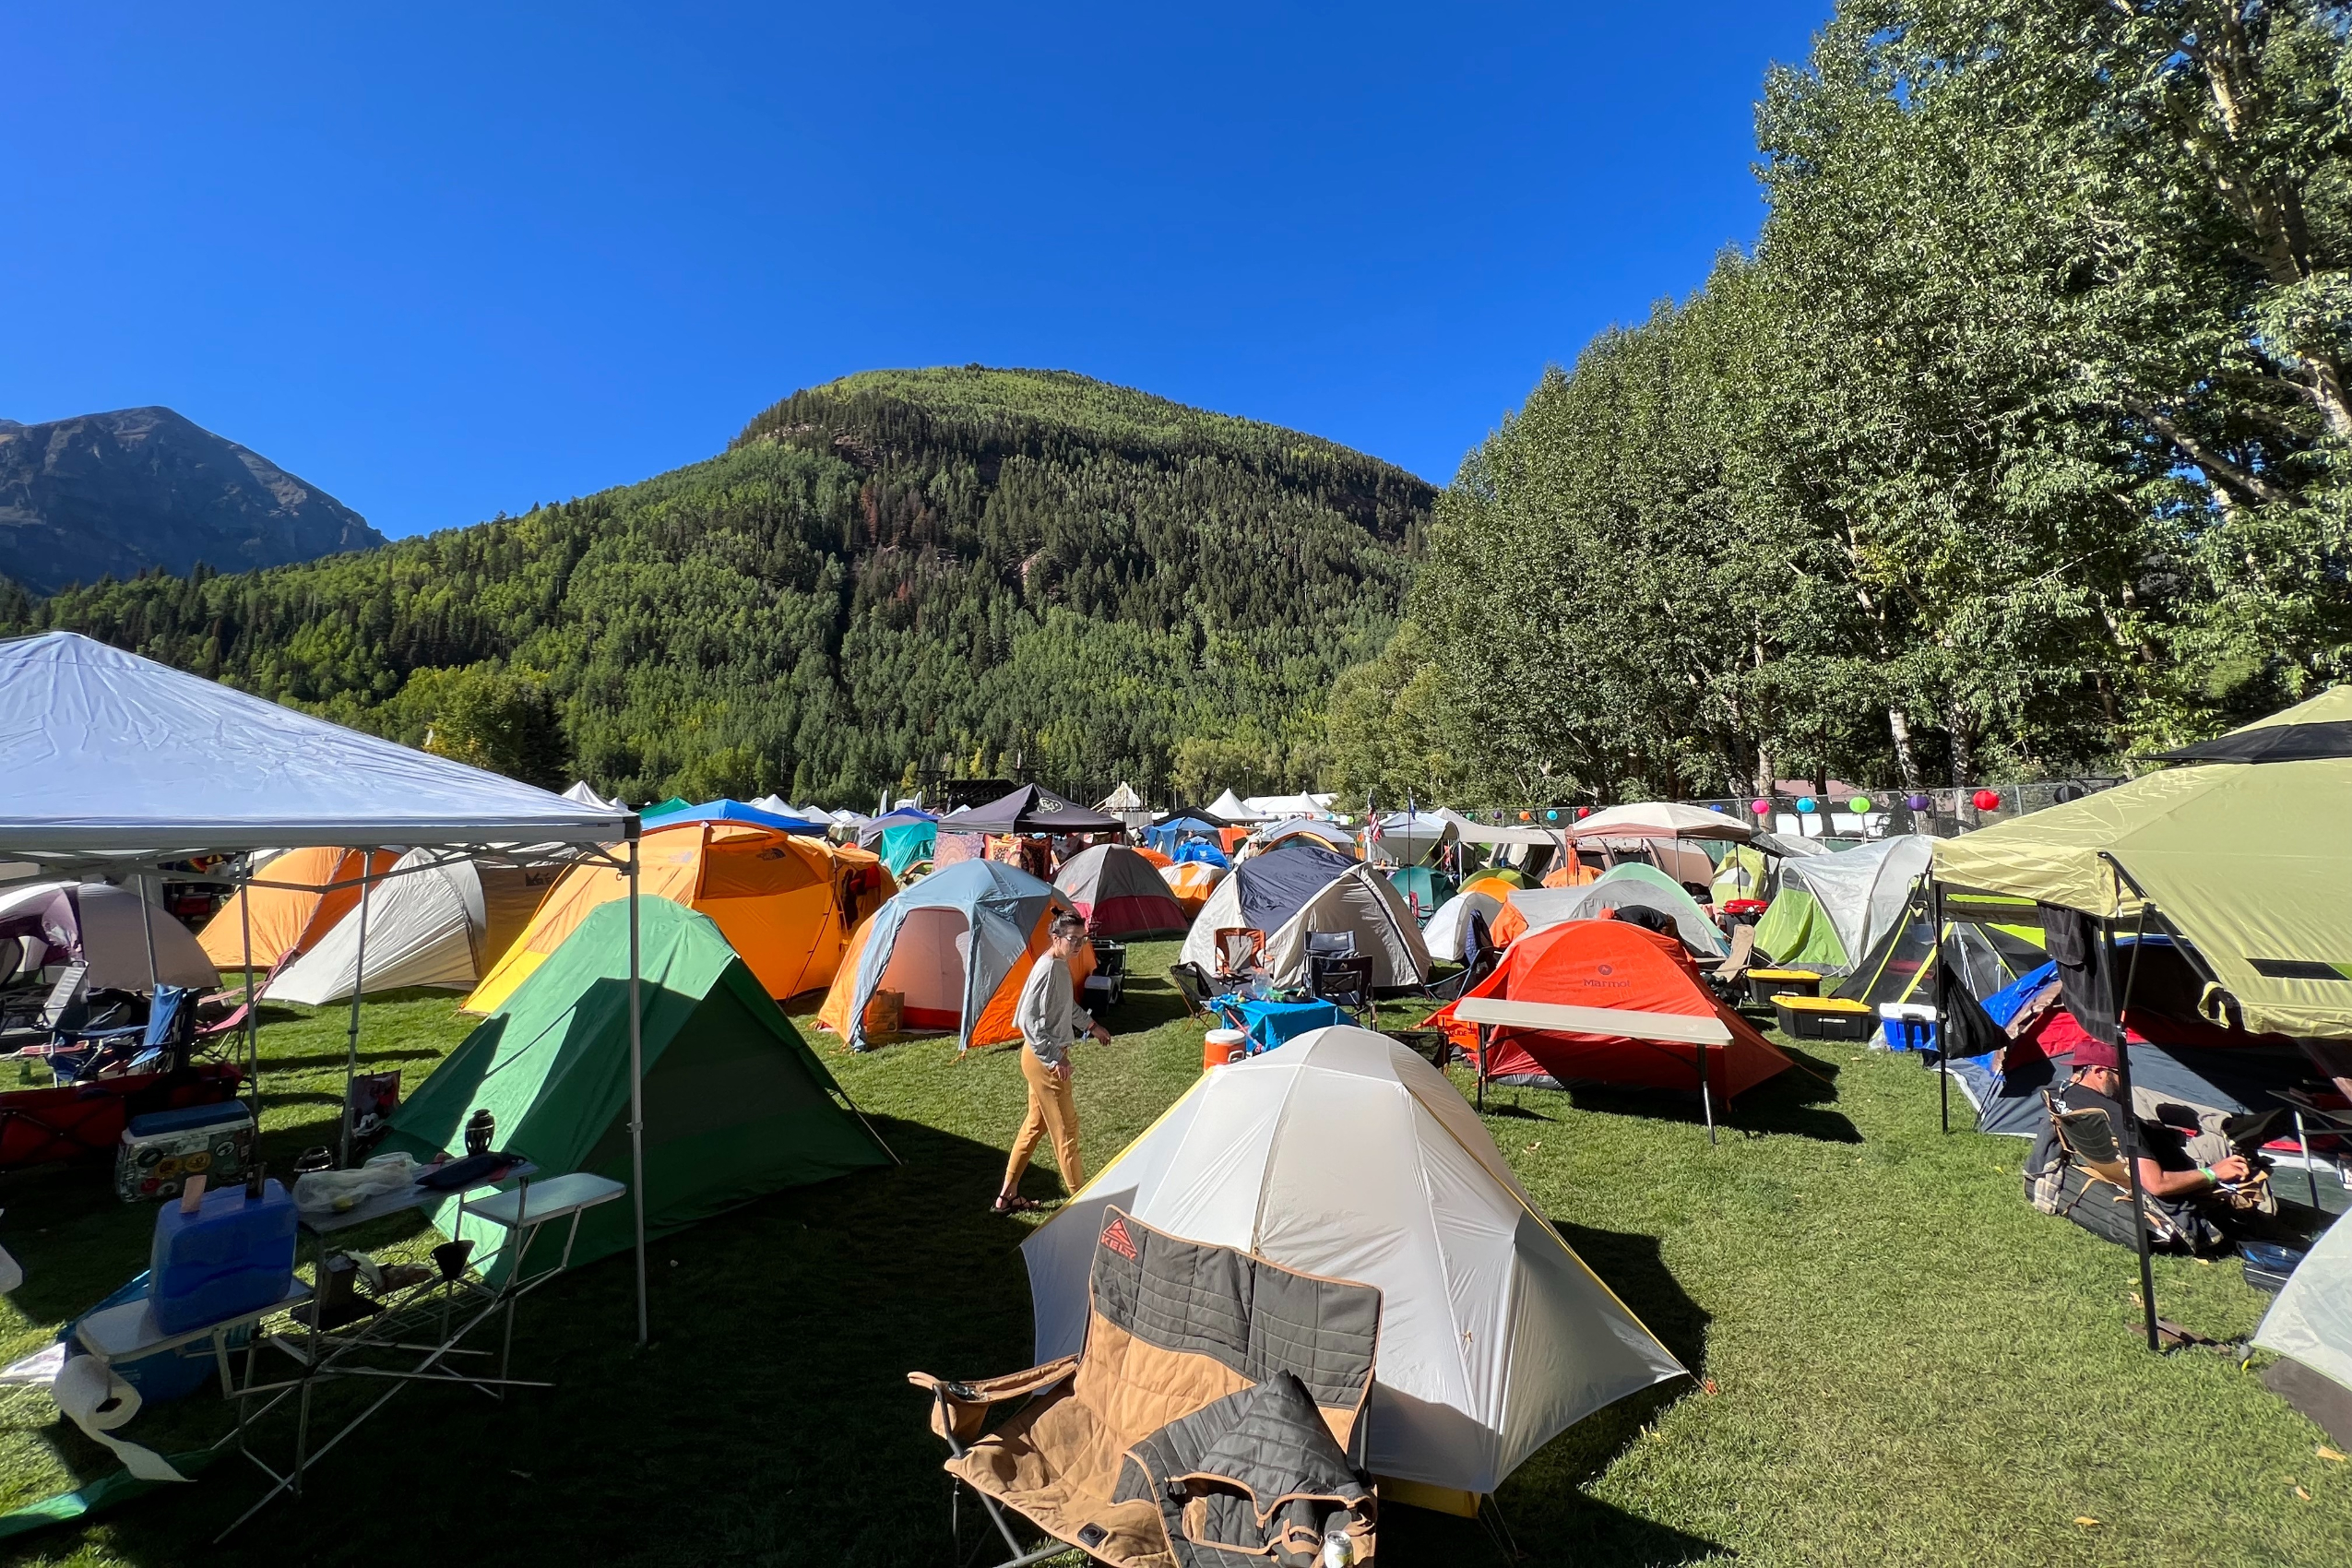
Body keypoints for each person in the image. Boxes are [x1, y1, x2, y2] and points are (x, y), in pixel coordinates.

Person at [2026, 1036, 2256, 1252]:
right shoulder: (2119, 1118)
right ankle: (2262, 1221)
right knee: (2224, 1145)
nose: (2124, 1082)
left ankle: (2226, 1123)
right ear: (2098, 1072)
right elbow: (2156, 1184)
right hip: (2169, 1165)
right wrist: (2213, 1172)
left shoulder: (2056, 1093)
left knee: (2141, 1097)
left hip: (2108, 1158)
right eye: (2120, 1075)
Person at [994, 913, 1111, 1215]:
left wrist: (1091, 1026)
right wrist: (1055, 1057)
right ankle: (1083, 1206)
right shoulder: (1048, 969)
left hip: (1043, 1057)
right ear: (1056, 937)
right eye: (1072, 939)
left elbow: (1064, 1006)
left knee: (1035, 1125)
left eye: (1082, 939)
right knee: (1067, 1131)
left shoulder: (1058, 964)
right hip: (1043, 1059)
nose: (1077, 945)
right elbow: (1028, 1021)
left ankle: (1007, 1196)